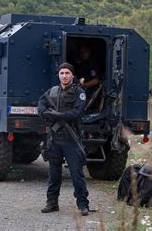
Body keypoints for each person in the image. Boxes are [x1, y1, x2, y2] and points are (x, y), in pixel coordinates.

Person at [37, 62, 90, 216]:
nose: (64, 76)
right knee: (53, 173)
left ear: (72, 76)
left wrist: (57, 115)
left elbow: (76, 113)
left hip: (71, 140)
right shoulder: (52, 91)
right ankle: (52, 203)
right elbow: (41, 104)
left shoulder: (79, 92)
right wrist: (46, 114)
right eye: (62, 73)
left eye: (67, 73)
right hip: (54, 139)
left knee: (76, 174)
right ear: (58, 75)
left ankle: (82, 204)